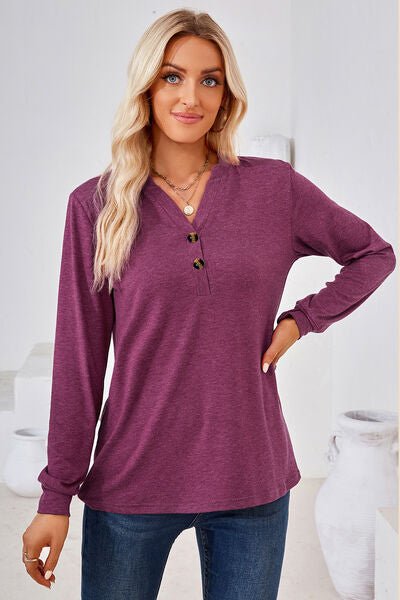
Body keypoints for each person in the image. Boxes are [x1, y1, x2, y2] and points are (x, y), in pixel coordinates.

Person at [21, 8, 396, 599]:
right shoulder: (96, 207)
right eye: (172, 76)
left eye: (210, 79)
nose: (190, 96)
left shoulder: (274, 188)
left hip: (250, 480)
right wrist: (55, 496)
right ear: (146, 86)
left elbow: (373, 254)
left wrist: (301, 321)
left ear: (226, 95)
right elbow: (79, 362)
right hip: (132, 482)